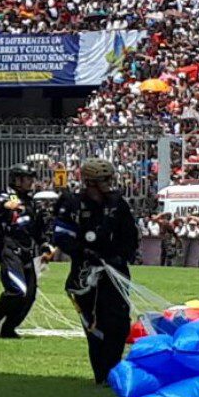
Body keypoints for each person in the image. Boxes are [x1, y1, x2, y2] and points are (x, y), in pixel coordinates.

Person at [52, 157, 137, 385]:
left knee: (118, 323)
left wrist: (121, 255)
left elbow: (130, 235)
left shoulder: (118, 204)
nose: (108, 186)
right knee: (94, 325)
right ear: (90, 183)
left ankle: (113, 368)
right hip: (84, 273)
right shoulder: (70, 203)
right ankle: (102, 374)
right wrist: (83, 252)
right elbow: (61, 236)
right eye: (103, 181)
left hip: (114, 270)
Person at [0, 163, 47, 339]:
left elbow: (37, 228)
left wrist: (45, 244)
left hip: (27, 252)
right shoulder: (5, 196)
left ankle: (9, 328)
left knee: (30, 295)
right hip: (9, 249)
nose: (31, 182)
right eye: (28, 179)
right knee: (17, 290)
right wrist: (5, 205)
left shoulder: (31, 202)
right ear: (17, 180)